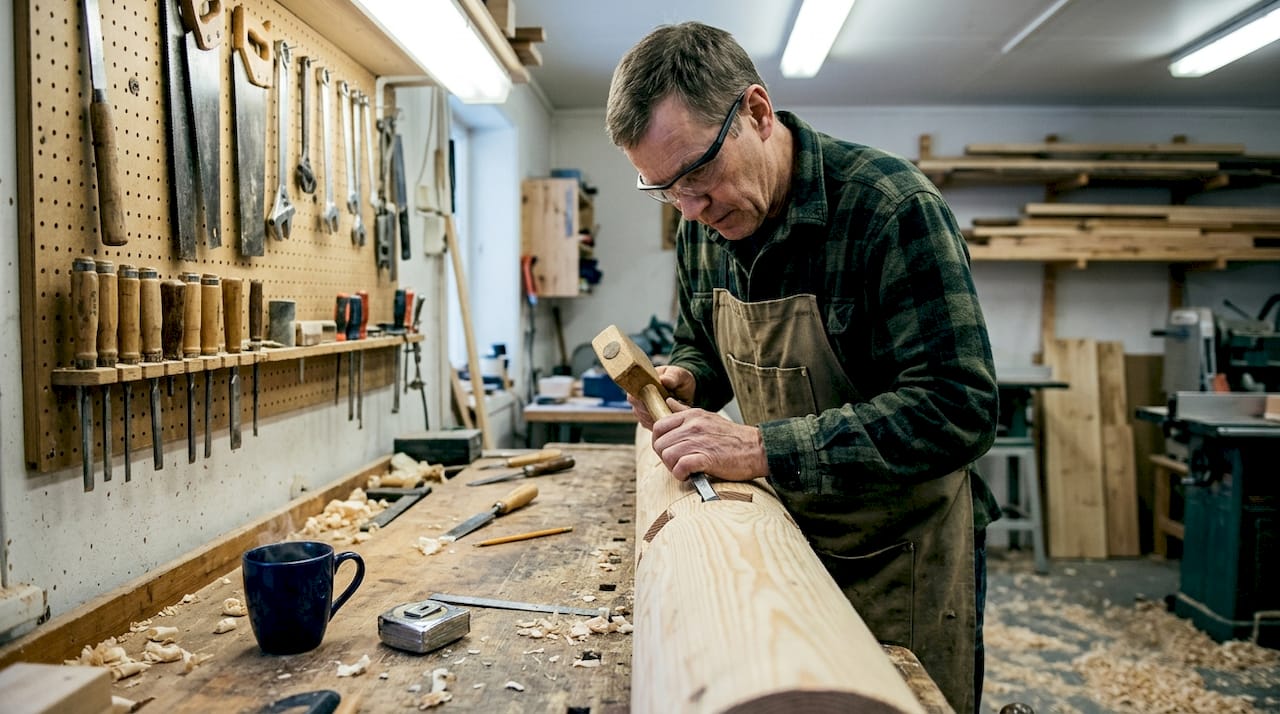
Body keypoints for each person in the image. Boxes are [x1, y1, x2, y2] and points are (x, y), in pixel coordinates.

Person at [605, 21, 1000, 714]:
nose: (690, 210)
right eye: (664, 191)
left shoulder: (890, 209)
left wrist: (758, 446)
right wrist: (687, 379)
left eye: (697, 174)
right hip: (780, 539)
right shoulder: (704, 229)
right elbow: (703, 339)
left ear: (757, 113)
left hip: (898, 555)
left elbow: (958, 408)